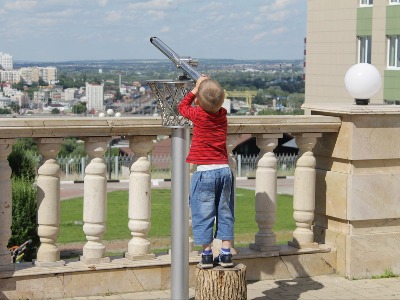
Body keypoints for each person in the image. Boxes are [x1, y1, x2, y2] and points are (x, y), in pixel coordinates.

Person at [178, 75, 234, 269]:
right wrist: (205, 89)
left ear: (199, 102)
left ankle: (207, 254)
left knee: (203, 213)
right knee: (225, 211)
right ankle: (226, 253)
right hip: (224, 171)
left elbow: (182, 107)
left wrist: (195, 88)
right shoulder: (223, 115)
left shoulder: (199, 115)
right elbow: (214, 103)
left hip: (205, 173)